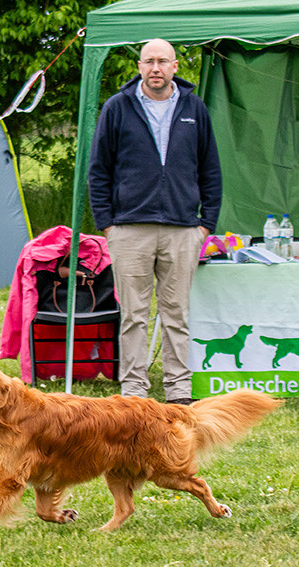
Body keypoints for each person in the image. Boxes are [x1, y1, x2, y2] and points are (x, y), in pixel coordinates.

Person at [88, 38, 222, 405]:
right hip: (130, 229)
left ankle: (179, 389)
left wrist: (205, 223)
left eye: (163, 61)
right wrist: (108, 224)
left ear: (176, 66)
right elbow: (99, 170)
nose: (156, 69)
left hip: (182, 229)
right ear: (139, 67)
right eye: (149, 62)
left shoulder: (195, 108)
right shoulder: (117, 108)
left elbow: (210, 169)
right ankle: (133, 389)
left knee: (176, 313)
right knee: (133, 314)